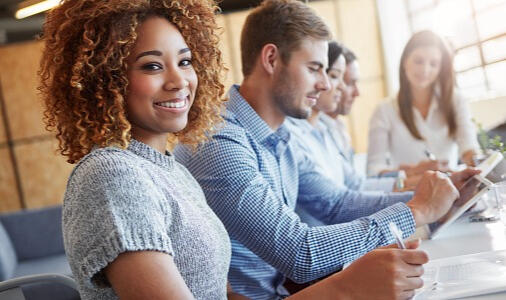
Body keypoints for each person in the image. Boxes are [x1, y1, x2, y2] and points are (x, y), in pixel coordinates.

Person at [37, 1, 431, 299]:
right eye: (152, 66)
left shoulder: (169, 169)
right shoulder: (112, 176)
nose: (179, 81)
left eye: (186, 61)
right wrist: (345, 289)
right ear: (105, 79)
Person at [174, 1, 477, 299]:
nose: (324, 85)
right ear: (271, 59)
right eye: (314, 69)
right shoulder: (218, 139)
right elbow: (300, 253)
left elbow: (335, 204)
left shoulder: (281, 135)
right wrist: (418, 210)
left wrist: (441, 196)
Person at [286, 41, 401, 194]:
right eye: (335, 76)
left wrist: (411, 187)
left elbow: (355, 184)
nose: (341, 86)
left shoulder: (325, 130)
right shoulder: (292, 136)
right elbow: (336, 203)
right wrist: (415, 201)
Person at [367, 30, 481, 177]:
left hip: (451, 191)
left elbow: (469, 146)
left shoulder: (456, 100)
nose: (425, 70)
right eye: (418, 61)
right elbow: (373, 170)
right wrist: (410, 172)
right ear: (404, 62)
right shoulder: (384, 110)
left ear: (441, 68)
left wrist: (477, 162)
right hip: (407, 195)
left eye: (433, 64)